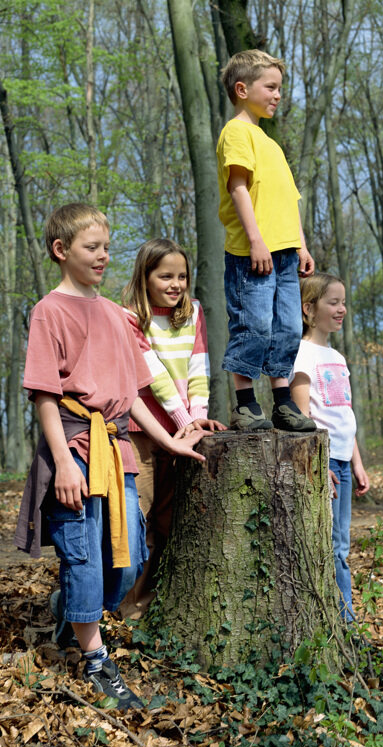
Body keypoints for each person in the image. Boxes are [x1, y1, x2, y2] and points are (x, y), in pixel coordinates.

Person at [14, 204, 210, 710]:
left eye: (106, 247)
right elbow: (45, 396)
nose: (103, 256)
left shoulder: (117, 317)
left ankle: (73, 615)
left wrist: (169, 441)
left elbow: (137, 396)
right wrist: (61, 462)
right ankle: (96, 658)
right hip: (77, 447)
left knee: (128, 562)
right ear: (62, 251)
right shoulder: (49, 310)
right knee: (82, 554)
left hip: (117, 448)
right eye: (91, 247)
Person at [118, 239, 225, 619]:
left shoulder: (193, 312)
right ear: (145, 277)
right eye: (165, 276)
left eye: (182, 275)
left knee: (168, 519)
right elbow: (154, 378)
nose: (175, 283)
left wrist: (198, 417)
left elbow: (199, 368)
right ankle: (124, 604)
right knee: (139, 518)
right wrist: (185, 424)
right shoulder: (129, 317)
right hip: (142, 432)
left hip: (182, 431)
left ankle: (150, 598)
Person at [216, 49, 316, 433]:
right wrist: (256, 241)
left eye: (280, 88)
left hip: (286, 253)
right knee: (254, 325)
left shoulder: (270, 143)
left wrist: (301, 245)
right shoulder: (236, 132)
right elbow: (238, 187)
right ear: (242, 89)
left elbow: (288, 201)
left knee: (288, 327)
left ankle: (283, 402)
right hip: (252, 252)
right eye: (270, 87)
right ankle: (245, 404)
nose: (278, 95)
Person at [289, 273, 370, 622]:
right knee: (330, 545)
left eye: (343, 302)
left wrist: (358, 463)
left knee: (342, 544)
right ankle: (343, 621)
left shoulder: (336, 355)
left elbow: (343, 415)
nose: (342, 309)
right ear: (309, 308)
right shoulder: (302, 353)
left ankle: (341, 616)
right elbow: (303, 418)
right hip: (324, 465)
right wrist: (320, 465)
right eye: (332, 303)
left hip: (342, 462)